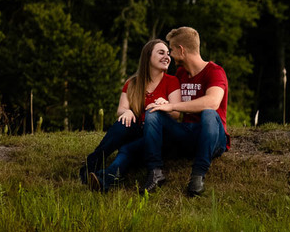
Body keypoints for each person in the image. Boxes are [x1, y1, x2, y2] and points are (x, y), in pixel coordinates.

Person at [141, 26, 229, 196]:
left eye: (171, 50)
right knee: (153, 112)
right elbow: (171, 102)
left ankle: (198, 175)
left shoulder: (215, 72)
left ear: (181, 50)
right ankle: (155, 171)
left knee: (209, 113)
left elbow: (212, 102)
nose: (169, 55)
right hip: (188, 134)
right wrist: (164, 103)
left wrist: (172, 106)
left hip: (213, 138)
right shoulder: (181, 73)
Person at [83, 39, 179, 192]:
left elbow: (176, 114)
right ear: (148, 57)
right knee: (123, 124)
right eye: (161, 52)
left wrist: (166, 106)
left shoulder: (172, 81)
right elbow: (120, 110)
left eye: (168, 54)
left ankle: (103, 179)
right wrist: (127, 111)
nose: (167, 56)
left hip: (156, 136)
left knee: (127, 150)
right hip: (135, 131)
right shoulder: (133, 83)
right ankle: (94, 163)